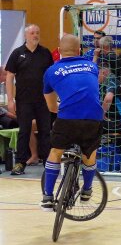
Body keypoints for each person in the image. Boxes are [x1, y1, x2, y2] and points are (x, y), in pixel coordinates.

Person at [41, 34, 103, 211]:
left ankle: (47, 196)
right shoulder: (92, 66)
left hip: (68, 118)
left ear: (59, 51)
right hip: (93, 117)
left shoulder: (51, 71)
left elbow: (52, 106)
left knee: (55, 152)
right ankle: (87, 190)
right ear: (79, 51)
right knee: (89, 155)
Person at [5, 24, 53, 175]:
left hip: (43, 100)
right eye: (32, 33)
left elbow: (51, 76)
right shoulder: (17, 53)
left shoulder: (45, 53)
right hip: (23, 100)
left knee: (45, 131)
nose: (35, 35)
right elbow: (10, 77)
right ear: (26, 35)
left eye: (37, 33)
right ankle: (20, 163)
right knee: (24, 132)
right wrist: (10, 100)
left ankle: (47, 161)